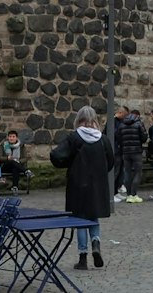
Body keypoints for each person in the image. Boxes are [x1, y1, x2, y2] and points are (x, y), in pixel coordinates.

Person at [49, 107, 114, 271]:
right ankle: (96, 243)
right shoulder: (103, 139)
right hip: (97, 185)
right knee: (94, 217)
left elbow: (57, 155)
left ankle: (83, 257)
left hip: (78, 184)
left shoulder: (74, 137)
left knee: (80, 220)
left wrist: (68, 164)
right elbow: (110, 161)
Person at [114, 107, 147, 203]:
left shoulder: (122, 124)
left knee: (127, 173)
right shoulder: (138, 123)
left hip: (125, 152)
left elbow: (118, 137)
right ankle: (134, 194)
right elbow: (144, 137)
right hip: (136, 151)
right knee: (137, 172)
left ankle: (128, 195)